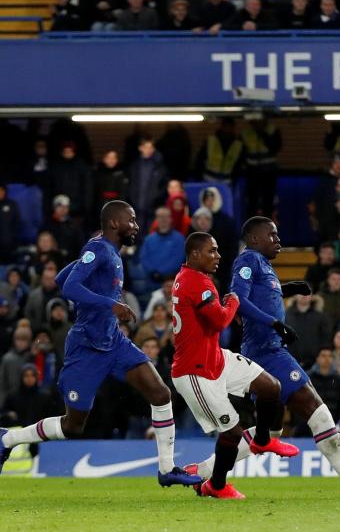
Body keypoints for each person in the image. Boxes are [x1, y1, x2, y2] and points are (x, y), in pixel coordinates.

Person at [185, 217, 340, 499]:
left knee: (272, 434)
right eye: (272, 235)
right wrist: (274, 323)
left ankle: (205, 471)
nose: (278, 240)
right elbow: (239, 300)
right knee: (316, 409)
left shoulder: (263, 265)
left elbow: (261, 295)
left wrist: (288, 288)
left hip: (270, 349)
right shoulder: (248, 260)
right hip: (265, 351)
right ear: (254, 239)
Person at [0, 202, 200, 488]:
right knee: (72, 426)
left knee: (160, 393)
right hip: (86, 346)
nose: (136, 226)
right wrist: (110, 303)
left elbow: (61, 278)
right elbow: (68, 288)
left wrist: (87, 260)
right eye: (131, 220)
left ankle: (166, 469)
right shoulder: (101, 250)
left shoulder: (107, 251)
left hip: (114, 342)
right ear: (115, 224)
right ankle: (8, 438)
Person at [167, 232, 298, 500]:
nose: (218, 256)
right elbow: (220, 321)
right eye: (211, 251)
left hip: (215, 357)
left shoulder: (192, 278)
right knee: (233, 432)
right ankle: (215, 485)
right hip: (195, 371)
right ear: (194, 255)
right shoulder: (196, 282)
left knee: (271, 387)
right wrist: (234, 301)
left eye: (217, 250)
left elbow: (213, 317)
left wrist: (226, 305)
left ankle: (263, 439)